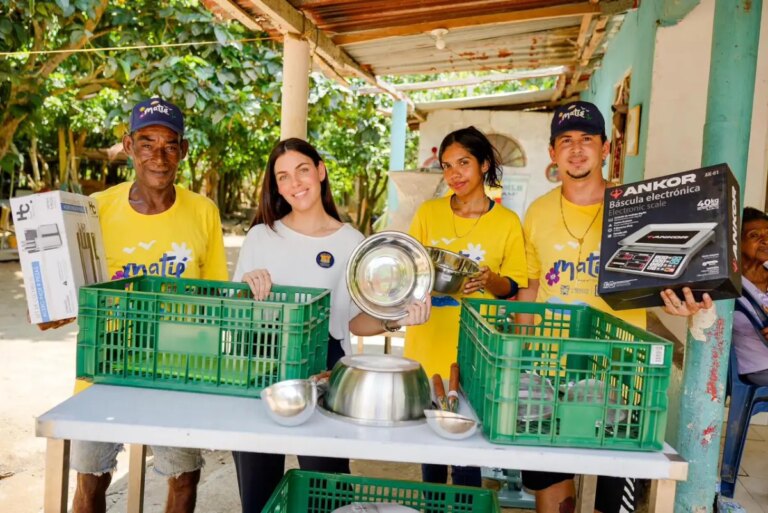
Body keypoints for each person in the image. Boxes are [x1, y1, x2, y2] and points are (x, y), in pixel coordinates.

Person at [517, 100, 712, 513]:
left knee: (613, 496)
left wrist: (681, 305)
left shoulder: (638, 210)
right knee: (551, 488)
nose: (576, 149)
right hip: (551, 366)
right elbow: (531, 288)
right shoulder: (536, 213)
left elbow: (669, 280)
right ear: (553, 153)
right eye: (565, 141)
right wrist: (519, 357)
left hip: (620, 370)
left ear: (606, 148)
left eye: (587, 139)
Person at [231, 137, 431, 512]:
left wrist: (396, 320)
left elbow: (352, 321)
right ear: (276, 186)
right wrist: (247, 287)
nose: (295, 183)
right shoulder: (261, 236)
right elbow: (235, 314)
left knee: (329, 493)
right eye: (283, 177)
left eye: (302, 170)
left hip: (324, 370)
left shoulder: (350, 241)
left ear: (320, 171)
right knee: (258, 494)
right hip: (260, 366)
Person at [70, 98, 228, 513]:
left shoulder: (204, 212)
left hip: (178, 365)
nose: (158, 156)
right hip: (105, 361)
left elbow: (216, 298)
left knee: (183, 477)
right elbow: (72, 283)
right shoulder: (97, 208)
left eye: (169, 145)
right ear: (127, 145)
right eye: (146, 143)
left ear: (184, 150)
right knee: (90, 479)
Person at [405, 126, 528, 487]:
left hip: (475, 347)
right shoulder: (429, 213)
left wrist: (490, 280)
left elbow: (513, 287)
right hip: (428, 339)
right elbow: (409, 269)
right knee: (430, 446)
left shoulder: (506, 222)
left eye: (463, 163)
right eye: (447, 166)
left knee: (466, 450)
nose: (455, 174)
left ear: (484, 165)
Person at [733, 207, 768, 384]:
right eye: (755, 236)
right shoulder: (729, 286)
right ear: (736, 242)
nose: (766, 241)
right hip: (759, 367)